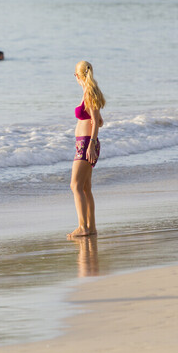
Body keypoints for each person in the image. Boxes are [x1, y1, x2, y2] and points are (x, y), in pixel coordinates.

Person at [69, 61, 104, 238]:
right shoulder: (89, 92)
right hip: (85, 143)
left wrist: (91, 144)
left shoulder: (89, 92)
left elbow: (95, 122)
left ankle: (83, 226)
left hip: (86, 144)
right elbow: (97, 119)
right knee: (85, 187)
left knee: (75, 185)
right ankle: (91, 227)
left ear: (78, 75)